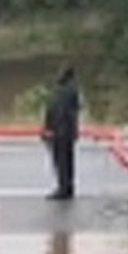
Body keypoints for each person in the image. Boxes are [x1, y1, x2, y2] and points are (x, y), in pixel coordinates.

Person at [41, 66, 81, 201]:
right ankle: (69, 187)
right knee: (69, 160)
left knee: (61, 161)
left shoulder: (59, 92)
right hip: (69, 131)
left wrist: (48, 129)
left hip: (59, 131)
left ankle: (63, 188)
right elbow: (74, 113)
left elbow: (53, 111)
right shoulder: (74, 91)